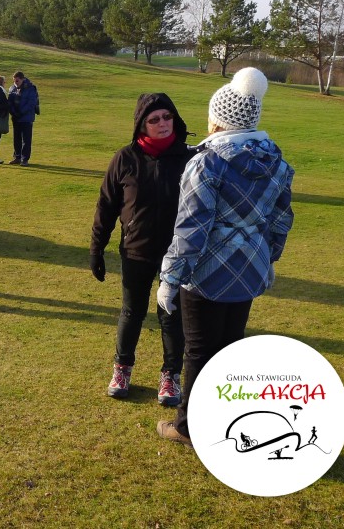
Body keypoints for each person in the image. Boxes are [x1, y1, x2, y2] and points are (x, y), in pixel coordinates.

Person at [155, 68, 295, 446]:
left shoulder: (207, 162)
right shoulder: (277, 162)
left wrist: (170, 278)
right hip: (250, 270)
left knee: (199, 350)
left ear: (218, 119)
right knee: (231, 346)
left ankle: (188, 427)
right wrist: (268, 259)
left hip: (206, 274)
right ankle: (225, 417)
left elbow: (191, 229)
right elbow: (280, 220)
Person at [91, 93, 195, 406]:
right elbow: (107, 205)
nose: (163, 123)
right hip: (136, 250)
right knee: (132, 312)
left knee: (171, 315)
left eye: (167, 117)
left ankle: (170, 375)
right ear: (141, 124)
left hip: (177, 254)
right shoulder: (125, 158)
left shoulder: (189, 158)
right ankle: (122, 369)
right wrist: (97, 247)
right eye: (154, 119)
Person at [7, 70, 38, 166]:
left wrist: (21, 112)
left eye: (17, 81)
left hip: (26, 118)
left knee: (26, 139)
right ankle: (17, 157)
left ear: (22, 79)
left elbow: (31, 103)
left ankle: (25, 159)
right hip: (16, 118)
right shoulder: (12, 88)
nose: (15, 83)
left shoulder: (30, 88)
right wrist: (14, 113)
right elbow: (10, 102)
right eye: (14, 81)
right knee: (16, 138)